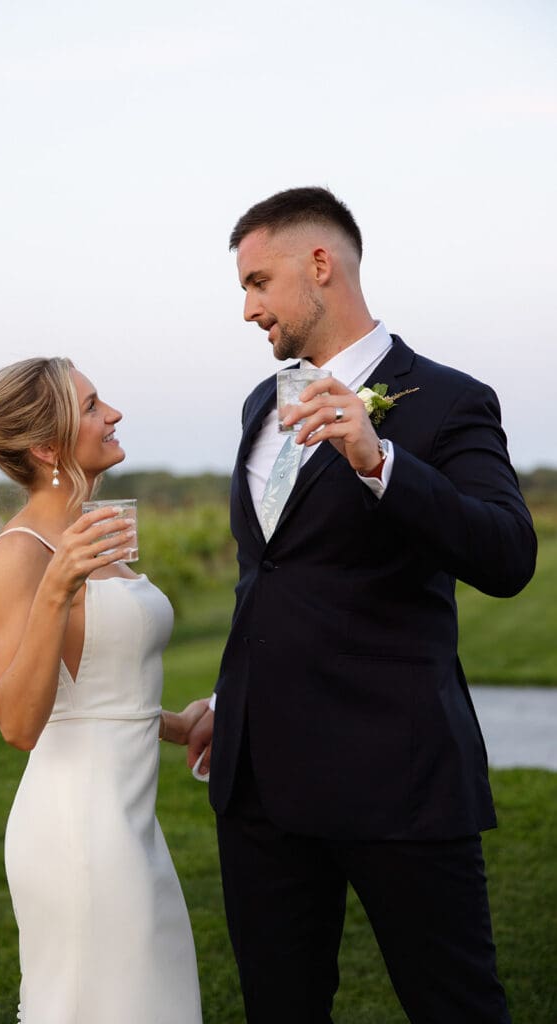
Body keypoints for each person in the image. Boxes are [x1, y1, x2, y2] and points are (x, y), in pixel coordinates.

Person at [187, 187, 536, 1023]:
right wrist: (232, 701)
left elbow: (506, 555)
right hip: (260, 784)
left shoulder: (449, 399)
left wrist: (379, 459)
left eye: (258, 282)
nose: (247, 309)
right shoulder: (257, 407)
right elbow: (267, 580)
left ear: (320, 266)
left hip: (395, 777)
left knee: (454, 1005)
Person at [0, 356, 206, 1023]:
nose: (114, 414)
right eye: (93, 404)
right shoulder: (24, 554)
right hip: (80, 830)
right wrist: (56, 586)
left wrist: (176, 722)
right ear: (47, 445)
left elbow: (92, 689)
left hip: (129, 820)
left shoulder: (91, 533)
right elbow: (18, 722)